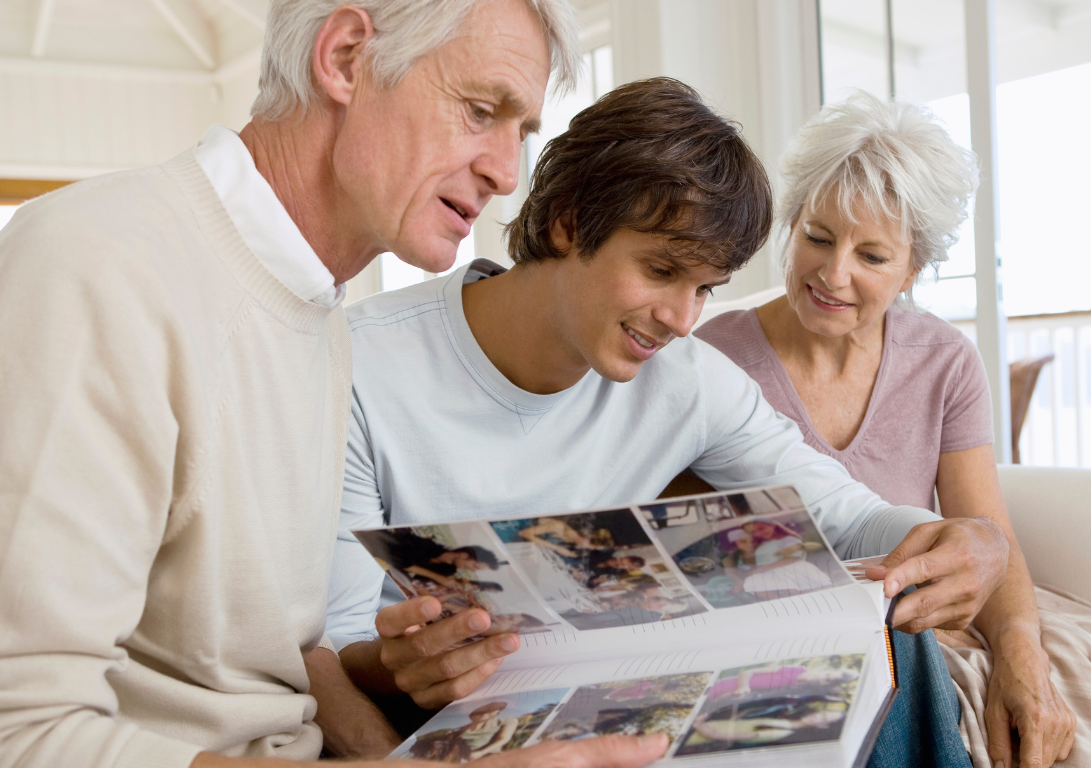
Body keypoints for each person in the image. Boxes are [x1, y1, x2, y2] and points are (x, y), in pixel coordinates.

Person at [0, 1, 669, 767]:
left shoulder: (315, 313)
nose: (504, 172)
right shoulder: (92, 271)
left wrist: (399, 683)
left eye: (519, 134)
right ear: (347, 58)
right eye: (481, 110)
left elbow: (253, 666)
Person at [326, 76, 1010, 728]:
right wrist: (404, 667)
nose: (683, 318)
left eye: (706, 288)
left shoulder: (688, 380)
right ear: (568, 222)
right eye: (660, 271)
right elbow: (339, 648)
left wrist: (965, 541)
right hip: (453, 718)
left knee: (892, 648)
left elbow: (847, 517)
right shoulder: (359, 366)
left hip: (614, 700)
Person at [694, 91, 1091, 768]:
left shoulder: (944, 359)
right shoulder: (711, 360)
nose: (835, 274)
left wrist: (1020, 656)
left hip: (932, 613)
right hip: (796, 628)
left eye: (873, 256)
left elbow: (988, 529)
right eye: (818, 236)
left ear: (912, 270)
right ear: (792, 225)